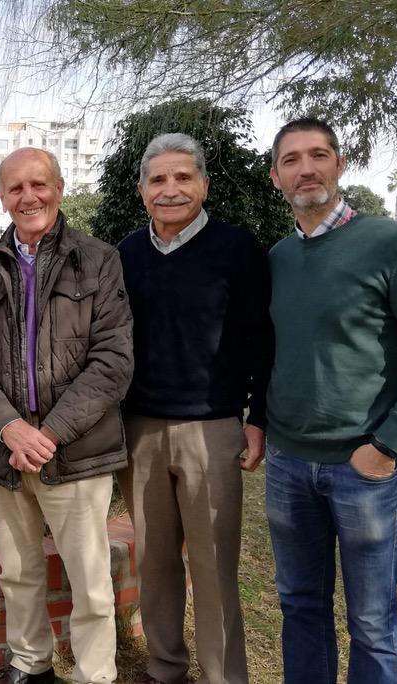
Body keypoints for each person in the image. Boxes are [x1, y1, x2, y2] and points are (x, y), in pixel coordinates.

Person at [265, 117, 397, 683]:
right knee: (299, 606)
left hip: (365, 468)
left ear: (340, 164)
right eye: (292, 159)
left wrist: (387, 446)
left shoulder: (392, 246)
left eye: (319, 155)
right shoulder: (278, 258)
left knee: (373, 621)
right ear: (277, 176)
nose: (306, 168)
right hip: (287, 465)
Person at [0, 147, 134, 684]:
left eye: (39, 184)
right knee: (19, 572)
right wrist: (10, 427)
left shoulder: (97, 260)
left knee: (90, 580)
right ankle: (30, 664)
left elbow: (113, 360)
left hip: (74, 450)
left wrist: (47, 433)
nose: (28, 197)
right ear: (3, 196)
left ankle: (94, 673)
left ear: (59, 187)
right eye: (15, 188)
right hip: (4, 451)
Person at [116, 133, 273, 684]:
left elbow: (263, 341)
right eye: (158, 179)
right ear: (141, 190)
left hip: (213, 430)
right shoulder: (128, 253)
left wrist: (258, 419)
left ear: (203, 184)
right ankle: (164, 667)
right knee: (154, 563)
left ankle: (223, 675)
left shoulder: (238, 249)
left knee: (212, 567)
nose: (171, 189)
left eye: (183, 177)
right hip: (140, 430)